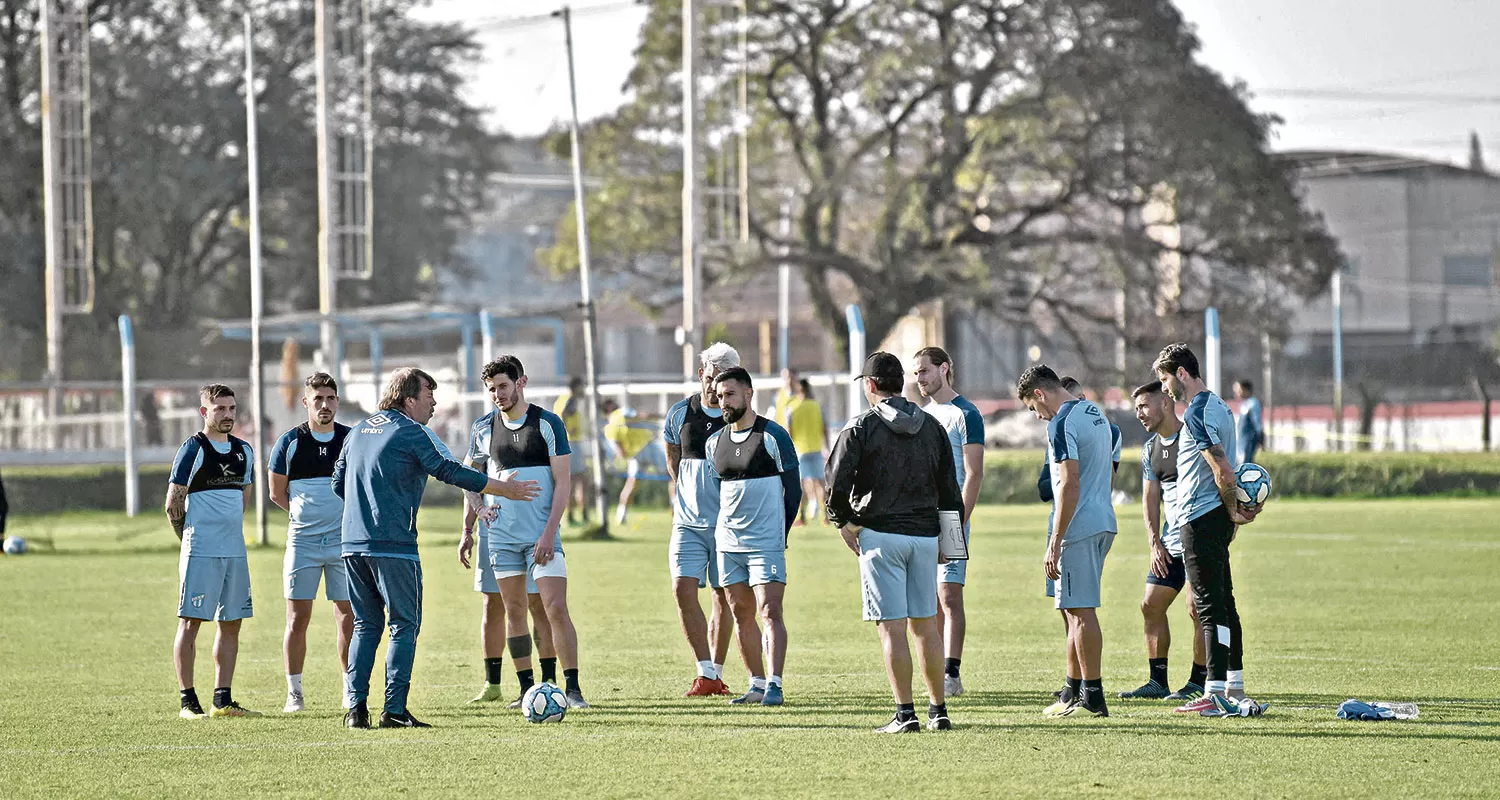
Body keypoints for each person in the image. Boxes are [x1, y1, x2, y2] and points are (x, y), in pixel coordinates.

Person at [333, 367, 540, 729]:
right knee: (403, 624)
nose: (434, 403)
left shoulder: (357, 432)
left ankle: (355, 710)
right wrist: (500, 488)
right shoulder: (411, 431)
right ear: (409, 398)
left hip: (352, 544)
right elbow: (446, 469)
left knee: (366, 624)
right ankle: (394, 711)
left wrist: (366, 505)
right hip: (393, 545)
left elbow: (339, 482)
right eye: (430, 394)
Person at [827, 352, 963, 733]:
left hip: (881, 536)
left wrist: (844, 523)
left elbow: (836, 481)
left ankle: (905, 714)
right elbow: (950, 489)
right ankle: (939, 711)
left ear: (870, 385)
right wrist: (950, 543)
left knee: (892, 628)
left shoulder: (860, 426)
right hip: (924, 538)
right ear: (901, 383)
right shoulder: (932, 426)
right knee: (927, 627)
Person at [461, 356, 588, 708]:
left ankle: (571, 689)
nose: (497, 394)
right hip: (501, 537)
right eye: (491, 389)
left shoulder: (548, 424)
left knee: (553, 607)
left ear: (521, 382)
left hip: (541, 536)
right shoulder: (482, 428)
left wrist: (549, 532)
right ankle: (527, 689)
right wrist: (475, 516)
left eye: (502, 386)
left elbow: (563, 483)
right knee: (513, 609)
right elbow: (468, 478)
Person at [1153, 343, 1266, 717]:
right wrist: (1231, 514)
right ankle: (1233, 685)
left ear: (1181, 373)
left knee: (1209, 605)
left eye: (1166, 379)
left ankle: (1215, 690)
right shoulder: (1219, 405)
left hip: (1199, 518)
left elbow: (1222, 468)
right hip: (1212, 516)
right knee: (1223, 601)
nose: (1166, 389)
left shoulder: (1199, 411)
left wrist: (1233, 512)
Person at [1017, 365, 1116, 719]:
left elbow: (1069, 483)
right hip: (1104, 520)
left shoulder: (1061, 422)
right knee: (1075, 611)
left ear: (1040, 394)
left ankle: (1093, 694)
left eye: (1033, 408)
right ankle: (1076, 690)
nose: (1038, 416)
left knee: (1080, 611)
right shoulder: (1095, 412)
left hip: (1079, 526)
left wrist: (1056, 539)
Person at [704, 367, 801, 707]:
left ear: (748, 393)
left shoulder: (773, 436)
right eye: (718, 396)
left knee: (769, 610)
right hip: (728, 544)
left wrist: (780, 533)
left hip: (765, 544)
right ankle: (756, 684)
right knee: (740, 611)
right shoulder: (714, 442)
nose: (723, 401)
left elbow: (794, 491)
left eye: (729, 394)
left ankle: (775, 683)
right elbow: (720, 493)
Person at [165, 384, 260, 719]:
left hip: (234, 551)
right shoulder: (194, 448)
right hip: (200, 550)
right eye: (219, 409)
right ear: (204, 412)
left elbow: (242, 499)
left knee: (231, 622)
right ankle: (188, 702)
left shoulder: (244, 451)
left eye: (232, 408)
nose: (227, 415)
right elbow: (173, 503)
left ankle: (223, 699)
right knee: (191, 623)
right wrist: (190, 539)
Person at [268, 372, 354, 714]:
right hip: (302, 543)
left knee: (347, 616)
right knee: (296, 618)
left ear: (337, 401)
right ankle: (295, 693)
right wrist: (305, 517)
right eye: (317, 399)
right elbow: (276, 492)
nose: (324, 405)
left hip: (342, 542)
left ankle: (351, 689)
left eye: (330, 398)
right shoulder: (289, 442)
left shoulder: (350, 439)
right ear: (306, 402)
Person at [1117, 381, 1206, 701]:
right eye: (1137, 407)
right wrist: (1155, 542)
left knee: (1198, 609)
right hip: (1169, 542)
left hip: (1199, 538)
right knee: (1151, 605)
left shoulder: (1194, 438)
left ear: (1166, 402)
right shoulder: (1150, 449)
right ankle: (1157, 682)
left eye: (1143, 406)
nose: (1139, 413)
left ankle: (1198, 683)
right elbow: (1150, 498)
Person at [663, 342, 739, 696]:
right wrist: (683, 492)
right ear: (701, 375)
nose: (715, 387)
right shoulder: (680, 413)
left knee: (723, 596)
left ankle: (716, 673)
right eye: (710, 378)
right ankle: (704, 669)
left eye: (722, 380)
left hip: (727, 526)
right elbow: (672, 455)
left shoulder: (739, 418)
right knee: (682, 589)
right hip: (687, 524)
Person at [912, 346, 985, 698]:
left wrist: (957, 522)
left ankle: (952, 673)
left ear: (944, 369)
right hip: (922, 517)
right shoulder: (922, 415)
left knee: (949, 596)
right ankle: (936, 669)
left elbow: (974, 474)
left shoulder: (966, 414)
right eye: (916, 373)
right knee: (928, 598)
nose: (920, 378)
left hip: (950, 517)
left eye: (925, 371)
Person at [604, 402, 669, 524]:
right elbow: (642, 415)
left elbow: (619, 451)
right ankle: (675, 508)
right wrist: (663, 415)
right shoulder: (621, 412)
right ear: (611, 407)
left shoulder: (608, 429)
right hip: (648, 446)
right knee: (671, 475)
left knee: (631, 484)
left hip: (635, 455)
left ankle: (621, 516)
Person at [789, 378, 828, 526]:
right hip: (816, 448)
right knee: (820, 483)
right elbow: (824, 427)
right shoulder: (817, 406)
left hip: (800, 450)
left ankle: (802, 516)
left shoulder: (793, 407)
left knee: (801, 484)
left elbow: (789, 430)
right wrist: (827, 446)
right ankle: (825, 515)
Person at [553, 376, 592, 525]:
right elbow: (564, 413)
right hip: (572, 443)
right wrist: (569, 429)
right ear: (576, 387)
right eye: (583, 386)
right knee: (580, 479)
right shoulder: (570, 400)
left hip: (566, 443)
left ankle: (572, 515)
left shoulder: (562, 399)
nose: (584, 390)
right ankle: (580, 515)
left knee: (571, 480)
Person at [1234, 380, 1264, 465]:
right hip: (1241, 441)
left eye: (1238, 389)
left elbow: (1257, 423)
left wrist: (1260, 438)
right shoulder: (1244, 404)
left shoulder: (1253, 403)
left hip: (1249, 441)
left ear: (1245, 389)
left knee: (1246, 465)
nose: (1236, 392)